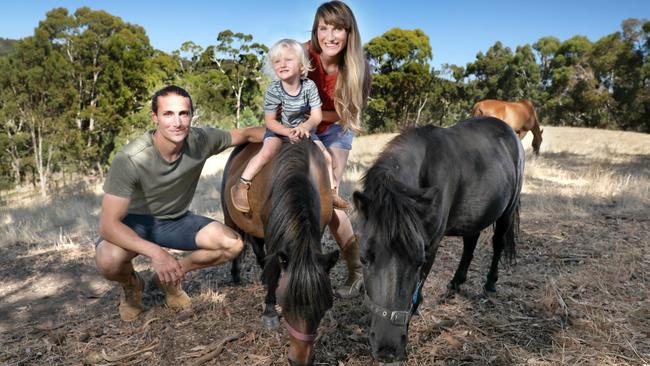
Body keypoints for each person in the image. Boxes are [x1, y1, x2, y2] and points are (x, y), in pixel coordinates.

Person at [95, 85, 264, 322]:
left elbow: (246, 134)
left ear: (191, 116)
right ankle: (132, 286)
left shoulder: (200, 140)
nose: (177, 122)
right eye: (168, 114)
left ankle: (169, 279)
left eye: (183, 113)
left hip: (174, 220)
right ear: (155, 117)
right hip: (133, 223)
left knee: (233, 245)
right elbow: (107, 225)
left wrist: (287, 134)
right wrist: (157, 254)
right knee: (108, 260)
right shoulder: (131, 158)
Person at [230, 38, 351, 213]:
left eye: (288, 60)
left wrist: (305, 127)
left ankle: (332, 193)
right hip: (279, 130)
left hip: (304, 130)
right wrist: (287, 132)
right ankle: (242, 185)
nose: (282, 64)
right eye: (277, 61)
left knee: (326, 156)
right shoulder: (274, 89)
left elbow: (316, 116)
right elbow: (270, 121)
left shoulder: (309, 87)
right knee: (266, 153)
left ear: (302, 66)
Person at [306, 1, 372, 298]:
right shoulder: (302, 55)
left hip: (335, 129)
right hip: (299, 126)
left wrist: (316, 120)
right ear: (316, 30)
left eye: (338, 29)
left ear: (349, 32)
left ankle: (356, 269)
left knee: (326, 198)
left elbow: (347, 116)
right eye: (324, 28)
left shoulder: (358, 68)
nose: (329, 36)